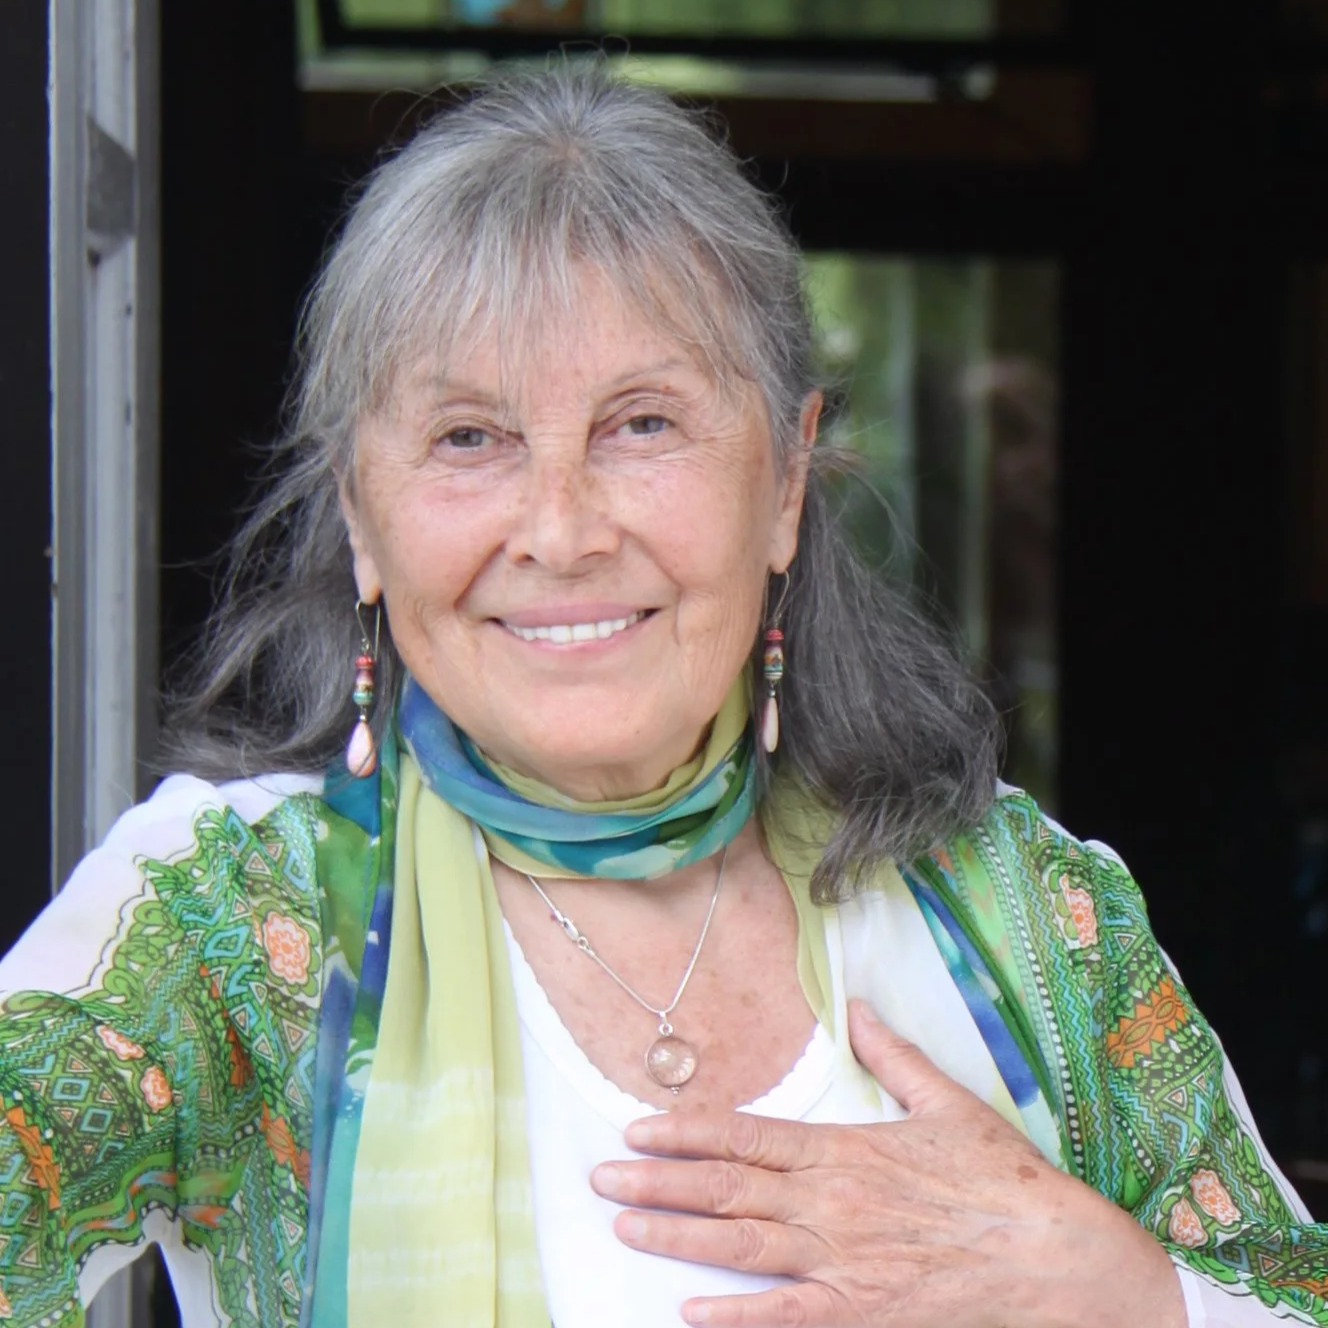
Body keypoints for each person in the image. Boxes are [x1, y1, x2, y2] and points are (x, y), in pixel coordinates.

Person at [1, 63, 1324, 1328]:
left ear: (788, 486)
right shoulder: (225, 924)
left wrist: (1125, 1297)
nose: (561, 529)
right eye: (471, 438)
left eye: (642, 424)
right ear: (362, 514)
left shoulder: (1034, 917)